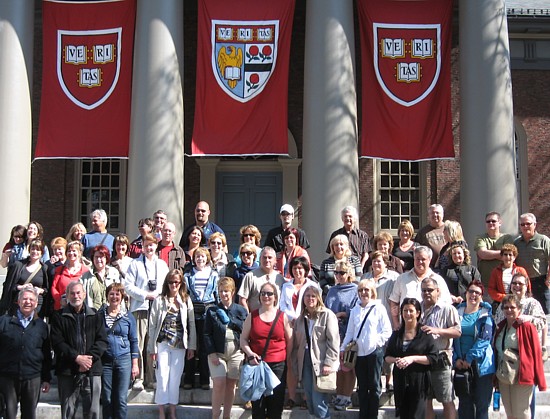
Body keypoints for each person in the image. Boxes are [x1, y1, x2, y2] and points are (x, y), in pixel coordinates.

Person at [50, 281, 108, 419]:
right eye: (72, 293)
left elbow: (102, 341)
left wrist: (88, 360)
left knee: (93, 412)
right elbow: (57, 342)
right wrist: (77, 358)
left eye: (78, 293)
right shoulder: (59, 316)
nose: (76, 296)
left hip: (92, 369)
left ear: (84, 294)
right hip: (67, 369)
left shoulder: (95, 315)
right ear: (67, 296)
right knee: (68, 411)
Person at [494, 273, 548, 418]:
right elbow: (498, 325)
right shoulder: (502, 304)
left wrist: (528, 319)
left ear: (526, 286)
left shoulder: (532, 303)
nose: (517, 286)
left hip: (524, 362)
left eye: (520, 283)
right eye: (514, 283)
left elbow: (543, 322)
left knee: (523, 409)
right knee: (510, 411)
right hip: (505, 367)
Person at [148, 270, 196, 419]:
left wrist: (192, 346)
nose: (173, 285)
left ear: (181, 283)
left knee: (175, 378)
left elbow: (191, 324)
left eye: (176, 282)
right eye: (171, 282)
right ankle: (162, 410)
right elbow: (152, 325)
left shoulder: (186, 299)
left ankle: (173, 409)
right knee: (162, 376)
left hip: (180, 343)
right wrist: (152, 347)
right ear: (166, 283)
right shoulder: (159, 300)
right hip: (162, 342)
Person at [240, 282, 292, 419]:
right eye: (263, 293)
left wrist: (289, 359)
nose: (266, 296)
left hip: (278, 366)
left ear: (275, 297)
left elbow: (290, 339)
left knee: (275, 407)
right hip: (258, 366)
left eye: (269, 293)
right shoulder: (252, 316)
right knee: (258, 407)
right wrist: (250, 354)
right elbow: (243, 339)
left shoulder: (282, 316)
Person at [124, 233, 169, 391]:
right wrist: (145, 294)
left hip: (157, 308)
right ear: (142, 247)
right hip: (140, 307)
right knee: (139, 343)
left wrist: (157, 295)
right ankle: (138, 378)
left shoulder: (162, 265)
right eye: (146, 245)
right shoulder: (135, 264)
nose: (149, 248)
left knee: (153, 344)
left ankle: (152, 378)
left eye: (152, 245)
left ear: (156, 246)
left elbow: (166, 285)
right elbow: (128, 286)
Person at [341, 279, 392, 416]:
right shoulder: (355, 310)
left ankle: (373, 414)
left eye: (366, 290)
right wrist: (343, 348)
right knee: (362, 386)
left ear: (372, 292)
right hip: (359, 353)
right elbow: (350, 332)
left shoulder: (379, 308)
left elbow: (387, 331)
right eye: (361, 290)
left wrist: (376, 342)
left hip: (374, 352)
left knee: (374, 385)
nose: (363, 293)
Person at [0, 288, 51, 419]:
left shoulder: (41, 326)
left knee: (29, 415)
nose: (28, 302)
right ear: (18, 301)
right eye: (25, 299)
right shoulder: (4, 322)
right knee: (8, 414)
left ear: (35, 303)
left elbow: (46, 354)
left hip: (32, 377)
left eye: (31, 300)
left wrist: (46, 378)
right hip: (8, 377)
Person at [384, 298, 439, 419]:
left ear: (418, 313)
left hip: (419, 382)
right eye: (405, 311)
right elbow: (387, 356)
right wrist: (397, 360)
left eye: (411, 311)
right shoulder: (397, 334)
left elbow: (433, 358)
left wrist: (412, 359)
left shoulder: (425, 334)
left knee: (416, 416)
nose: (408, 314)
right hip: (400, 381)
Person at [291, 285, 340, 418]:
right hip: (304, 360)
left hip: (320, 360)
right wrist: (296, 365)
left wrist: (329, 362)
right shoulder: (300, 319)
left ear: (318, 298)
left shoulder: (327, 315)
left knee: (319, 401)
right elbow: (296, 345)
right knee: (310, 400)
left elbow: (333, 341)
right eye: (307, 296)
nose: (310, 299)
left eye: (313, 296)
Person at [204, 277, 248, 419]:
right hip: (218, 352)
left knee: (231, 385)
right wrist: (211, 353)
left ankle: (227, 416)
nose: (224, 294)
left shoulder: (241, 311)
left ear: (233, 292)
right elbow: (206, 334)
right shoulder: (212, 311)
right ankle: (215, 415)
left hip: (236, 352)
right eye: (221, 291)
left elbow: (245, 331)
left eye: (227, 291)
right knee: (219, 383)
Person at [452, 280, 495, 419]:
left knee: (482, 405)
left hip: (481, 366)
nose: (474, 295)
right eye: (471, 291)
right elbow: (450, 339)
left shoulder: (486, 314)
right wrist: (456, 359)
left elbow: (484, 339)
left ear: (481, 296)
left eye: (478, 293)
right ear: (466, 293)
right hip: (461, 365)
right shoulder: (455, 312)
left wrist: (469, 358)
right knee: (465, 405)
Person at [279, 256, 318, 408]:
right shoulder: (286, 286)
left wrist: (301, 317)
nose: (298, 271)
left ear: (306, 270)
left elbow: (315, 304)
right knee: (291, 360)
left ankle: (308, 397)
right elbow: (282, 305)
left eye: (300, 268)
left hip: (308, 324)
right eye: (295, 268)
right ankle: (292, 396)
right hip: (289, 325)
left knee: (307, 361)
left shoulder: (313, 285)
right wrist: (291, 318)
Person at [420, 276, 461, 419]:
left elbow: (457, 331)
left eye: (430, 290)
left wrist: (437, 330)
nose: (426, 293)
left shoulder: (447, 309)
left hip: (441, 358)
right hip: (422, 360)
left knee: (446, 399)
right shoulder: (417, 308)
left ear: (438, 291)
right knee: (426, 400)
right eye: (424, 290)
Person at [98, 283, 139, 419]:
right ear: (107, 296)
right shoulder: (100, 315)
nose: (114, 297)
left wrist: (135, 364)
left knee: (121, 399)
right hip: (106, 360)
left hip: (124, 360)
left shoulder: (128, 316)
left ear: (121, 297)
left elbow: (134, 341)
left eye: (117, 294)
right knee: (107, 398)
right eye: (111, 294)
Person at [389, 246, 452, 330]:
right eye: (417, 259)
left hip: (431, 329)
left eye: (423, 259)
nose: (420, 262)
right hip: (406, 329)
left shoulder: (438, 280)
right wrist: (396, 323)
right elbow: (394, 301)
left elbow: (446, 304)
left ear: (429, 260)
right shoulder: (402, 279)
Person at [183, 247, 219, 390]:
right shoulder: (188, 275)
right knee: (191, 346)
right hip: (192, 312)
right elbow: (184, 294)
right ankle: (188, 379)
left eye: (203, 257)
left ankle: (205, 379)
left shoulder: (214, 275)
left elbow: (216, 295)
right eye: (197, 257)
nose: (200, 259)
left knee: (205, 348)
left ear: (207, 258)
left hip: (208, 313)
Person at [362, 250, 398, 392]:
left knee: (388, 351)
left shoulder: (393, 278)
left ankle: (389, 381)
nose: (376, 264)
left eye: (379, 261)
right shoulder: (365, 277)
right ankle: (372, 381)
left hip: (387, 320)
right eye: (374, 261)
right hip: (368, 323)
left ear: (386, 263)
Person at [324, 260, 358, 410]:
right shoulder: (332, 290)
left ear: (349, 273)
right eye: (336, 273)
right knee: (337, 367)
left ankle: (347, 396)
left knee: (348, 366)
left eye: (342, 273)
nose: (338, 276)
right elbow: (325, 308)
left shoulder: (355, 290)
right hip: (333, 333)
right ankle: (339, 395)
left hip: (348, 333)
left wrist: (343, 313)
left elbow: (357, 310)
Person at [0, 239, 49, 317]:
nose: (35, 251)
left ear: (42, 252)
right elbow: (8, 285)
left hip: (37, 305)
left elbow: (47, 289)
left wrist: (40, 290)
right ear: (29, 250)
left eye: (38, 249)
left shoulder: (45, 268)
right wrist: (21, 287)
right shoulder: (18, 265)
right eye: (33, 249)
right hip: (19, 304)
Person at [513, 212, 550, 313]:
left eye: (528, 223)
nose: (525, 226)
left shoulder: (544, 240)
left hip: (540, 282)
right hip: (522, 284)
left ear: (535, 224)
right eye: (522, 224)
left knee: (545, 311)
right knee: (524, 311)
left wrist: (548, 279)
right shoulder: (516, 243)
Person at [474, 211, 514, 290]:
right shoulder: (480, 238)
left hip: (505, 282)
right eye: (488, 221)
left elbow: (508, 256)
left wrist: (489, 255)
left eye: (493, 221)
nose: (490, 223)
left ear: (499, 223)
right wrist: (501, 254)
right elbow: (482, 254)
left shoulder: (507, 238)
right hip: (486, 283)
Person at [238, 247, 284, 313]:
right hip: (255, 319)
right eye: (264, 257)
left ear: (275, 260)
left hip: (275, 320)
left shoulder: (279, 278)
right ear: (259, 259)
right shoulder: (250, 276)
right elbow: (242, 300)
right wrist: (249, 318)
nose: (267, 260)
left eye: (270, 257)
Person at [50, 241, 92, 311]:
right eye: (69, 251)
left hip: (79, 308)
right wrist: (60, 300)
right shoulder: (59, 270)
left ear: (79, 253)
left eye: (74, 251)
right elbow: (54, 287)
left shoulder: (86, 271)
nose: (71, 253)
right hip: (61, 308)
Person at [488, 244, 529, 309]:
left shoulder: (521, 270)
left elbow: (528, 287)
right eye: (505, 254)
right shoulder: (495, 271)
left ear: (514, 257)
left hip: (519, 303)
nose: (508, 257)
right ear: (501, 257)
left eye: (510, 255)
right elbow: (491, 289)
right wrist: (504, 298)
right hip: (502, 303)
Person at [85, 244, 121, 310]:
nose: (98, 259)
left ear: (106, 258)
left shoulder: (114, 273)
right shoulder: (86, 276)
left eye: (101, 257)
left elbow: (119, 293)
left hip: (110, 313)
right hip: (92, 315)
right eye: (96, 257)